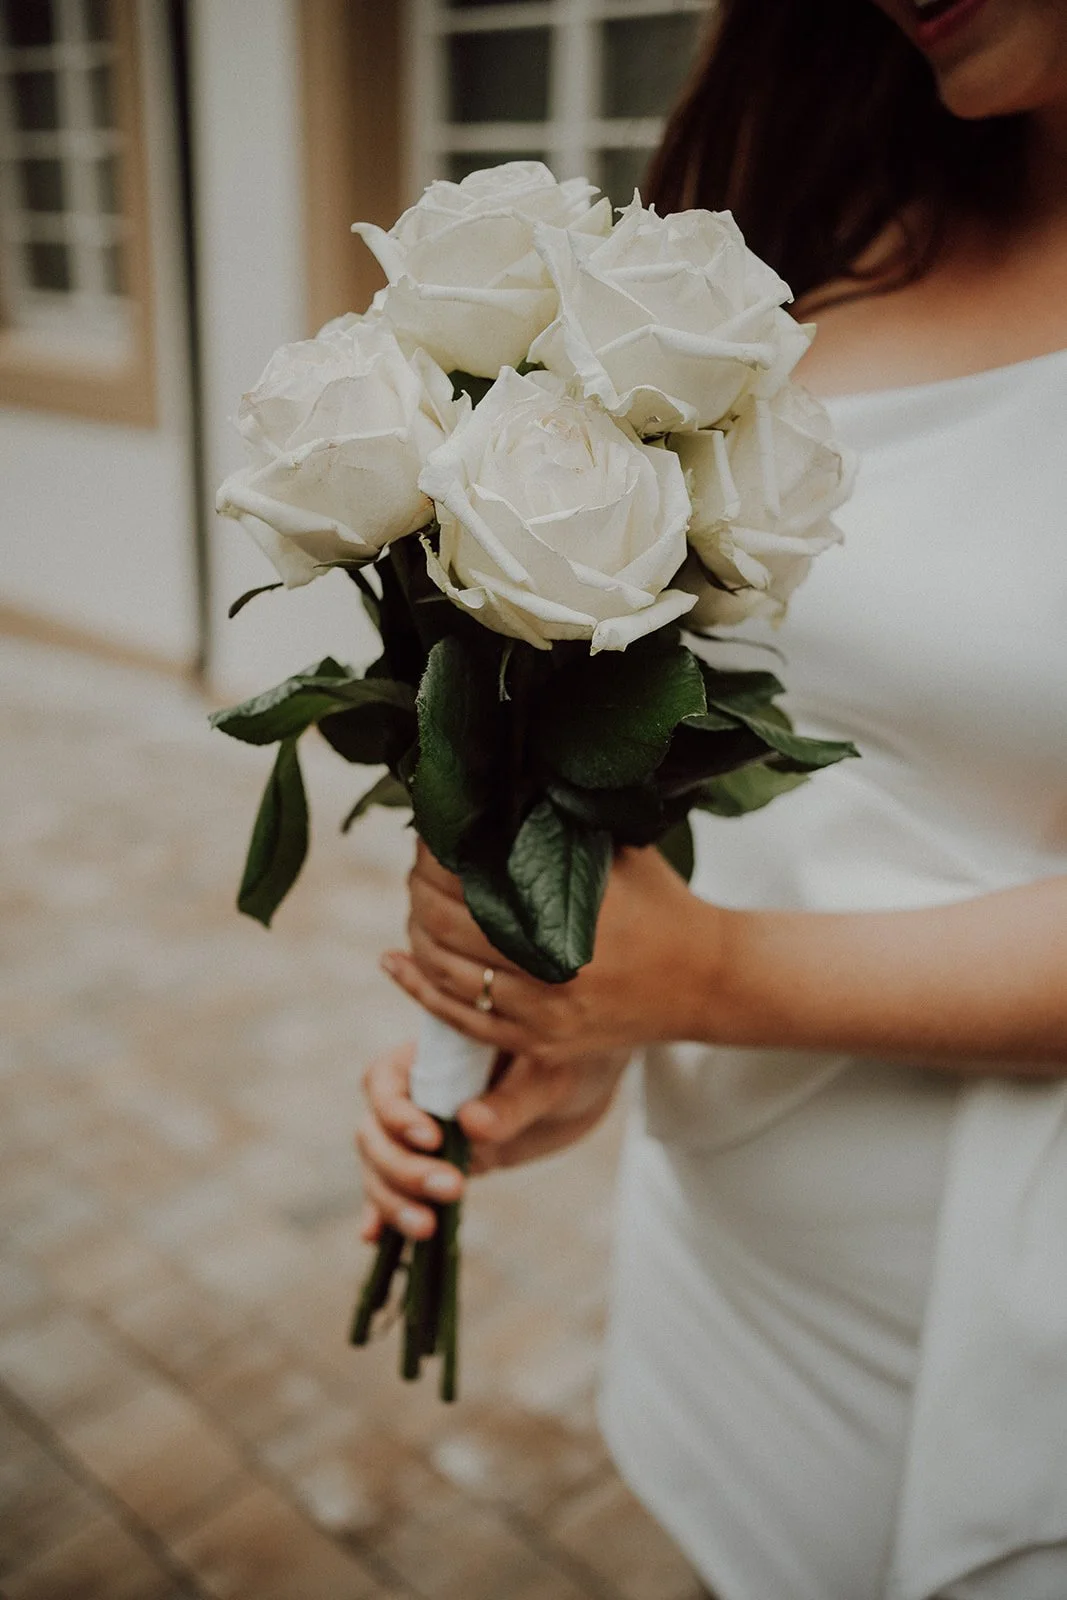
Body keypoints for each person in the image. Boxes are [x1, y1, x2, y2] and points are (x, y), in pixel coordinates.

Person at [356, 3, 1067, 1595]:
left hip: (989, 1331)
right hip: (729, 1256)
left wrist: (709, 980)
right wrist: (574, 1026)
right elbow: (775, 742)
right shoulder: (839, 221)